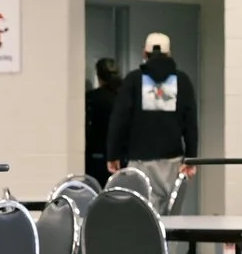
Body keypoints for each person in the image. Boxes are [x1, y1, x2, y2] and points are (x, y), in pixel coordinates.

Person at [106, 32, 198, 212]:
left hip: (141, 161)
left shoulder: (133, 80)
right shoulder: (183, 81)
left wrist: (113, 154)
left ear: (144, 54)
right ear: (169, 54)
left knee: (141, 217)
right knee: (171, 220)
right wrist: (191, 158)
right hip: (173, 162)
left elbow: (120, 118)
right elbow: (191, 123)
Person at [83, 57, 120, 185]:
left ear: (98, 76)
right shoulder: (124, 97)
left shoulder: (92, 98)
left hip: (96, 157)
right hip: (121, 158)